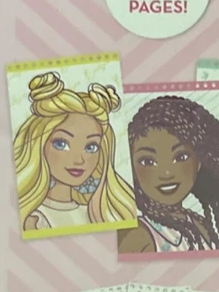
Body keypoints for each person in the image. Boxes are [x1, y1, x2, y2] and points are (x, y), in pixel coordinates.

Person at [12, 71, 136, 235]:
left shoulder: (99, 215)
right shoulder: (32, 221)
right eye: (61, 143)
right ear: (39, 145)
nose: (79, 160)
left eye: (91, 147)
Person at [117, 94, 219, 253]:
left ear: (199, 161)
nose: (166, 173)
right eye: (148, 161)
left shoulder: (199, 224)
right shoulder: (138, 236)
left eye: (180, 157)